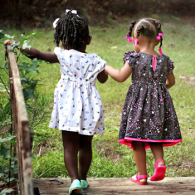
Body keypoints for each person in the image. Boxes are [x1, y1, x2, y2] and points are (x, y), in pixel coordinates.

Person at [5, 10, 108, 194]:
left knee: (69, 146)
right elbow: (103, 79)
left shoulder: (62, 55)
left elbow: (36, 54)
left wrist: (17, 45)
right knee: (86, 145)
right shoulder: (94, 60)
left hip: (68, 106)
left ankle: (74, 180)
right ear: (89, 40)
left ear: (61, 38)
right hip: (90, 108)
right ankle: (83, 179)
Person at [105, 18, 182, 185]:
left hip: (138, 106)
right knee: (156, 135)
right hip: (159, 104)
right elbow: (171, 82)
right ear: (157, 39)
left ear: (136, 39)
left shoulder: (135, 58)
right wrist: (159, 90)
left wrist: (105, 67)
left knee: (137, 139)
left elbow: (120, 76)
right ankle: (159, 162)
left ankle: (141, 175)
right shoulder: (165, 60)